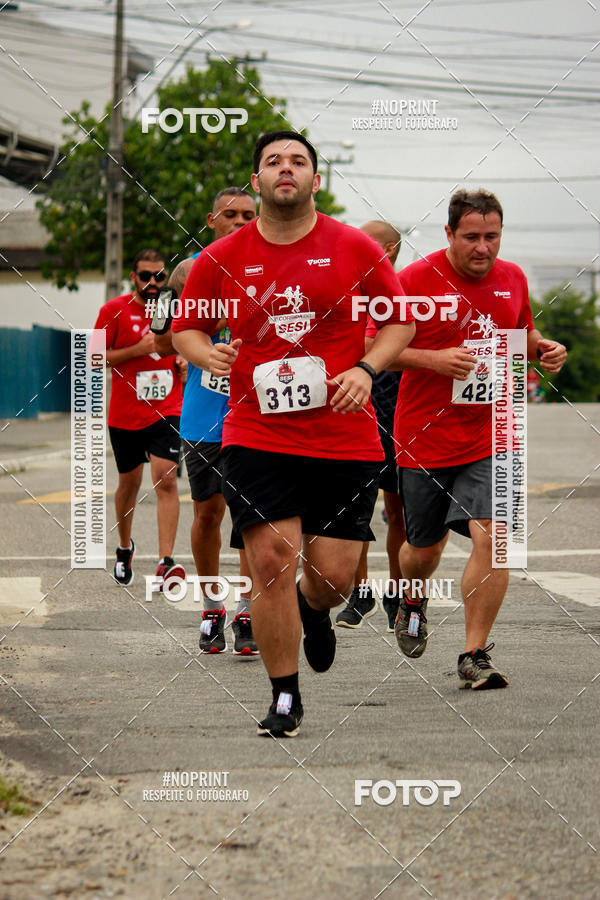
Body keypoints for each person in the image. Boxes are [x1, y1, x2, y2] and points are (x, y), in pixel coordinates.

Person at [172, 131, 415, 737]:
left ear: (315, 178)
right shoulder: (220, 257)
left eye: (298, 161)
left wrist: (365, 367)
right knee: (271, 560)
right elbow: (186, 330)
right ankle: (285, 695)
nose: (287, 169)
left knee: (330, 578)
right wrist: (208, 355)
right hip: (255, 432)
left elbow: (400, 323)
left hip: (342, 436)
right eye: (273, 161)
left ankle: (316, 611)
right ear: (257, 181)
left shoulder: (356, 248)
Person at [391, 189, 566, 688]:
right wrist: (432, 359)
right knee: (423, 551)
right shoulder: (412, 281)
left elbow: (522, 335)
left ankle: (474, 654)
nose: (483, 248)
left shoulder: (512, 278)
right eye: (471, 237)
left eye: (492, 236)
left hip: (496, 430)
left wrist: (545, 349)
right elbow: (368, 345)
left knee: (499, 540)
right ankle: (412, 598)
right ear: (449, 234)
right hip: (425, 433)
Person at [157, 188, 258, 655]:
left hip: (260, 412)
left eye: (248, 214)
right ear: (211, 219)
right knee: (208, 512)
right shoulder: (187, 270)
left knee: (255, 521)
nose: (240, 221)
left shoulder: (277, 262)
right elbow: (164, 343)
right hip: (204, 414)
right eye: (230, 214)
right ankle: (212, 605)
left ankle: (249, 611)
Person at [94, 249, 186, 588]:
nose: (152, 283)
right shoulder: (113, 310)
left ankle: (165, 562)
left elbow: (186, 343)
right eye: (145, 276)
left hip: (167, 409)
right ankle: (124, 547)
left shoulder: (170, 308)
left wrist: (182, 361)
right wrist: (135, 349)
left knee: (167, 479)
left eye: (159, 276)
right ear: (133, 277)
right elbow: (92, 357)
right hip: (125, 413)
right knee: (129, 486)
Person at [335, 220, 406, 632]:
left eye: (367, 241)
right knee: (357, 508)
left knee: (397, 508)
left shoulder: (405, 289)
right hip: (353, 405)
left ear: (391, 248)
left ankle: (397, 590)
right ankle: (360, 593)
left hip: (397, 404)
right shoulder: (344, 287)